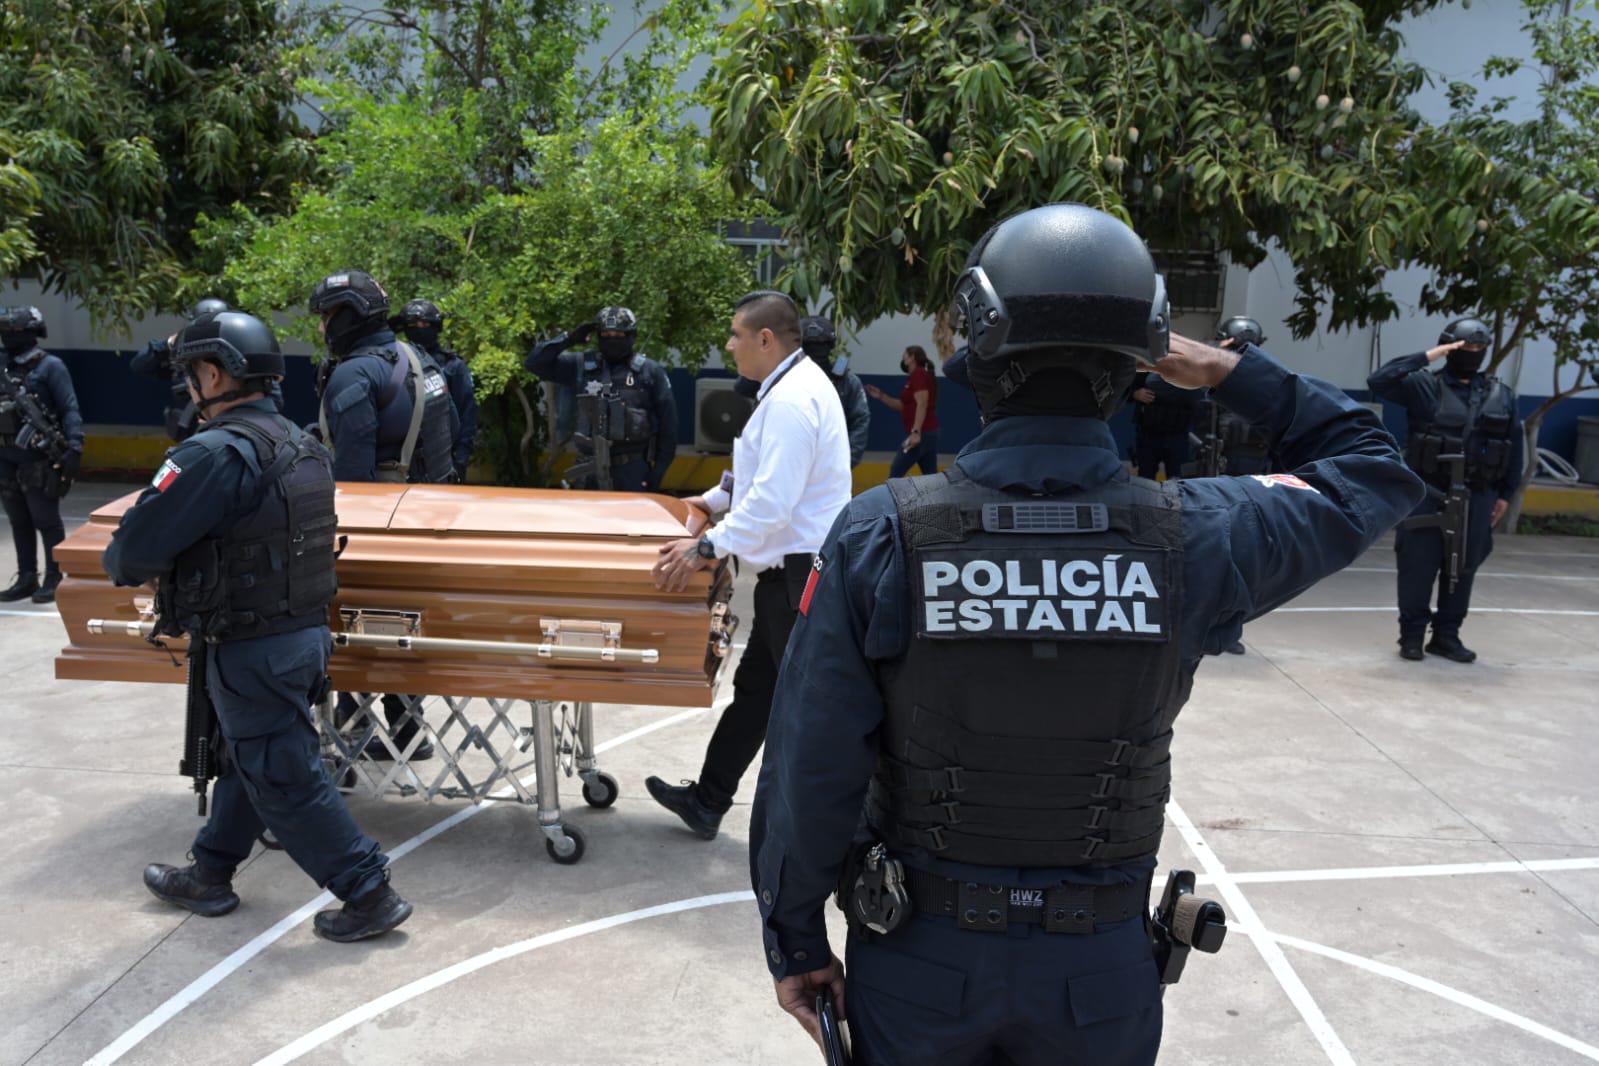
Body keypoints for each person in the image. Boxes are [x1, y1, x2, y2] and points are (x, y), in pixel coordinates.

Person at [749, 204, 1425, 1064]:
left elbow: (812, 756)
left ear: (980, 357)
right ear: (1138, 367)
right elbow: (1371, 466)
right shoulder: (1198, 534)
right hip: (1096, 975)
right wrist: (1224, 370)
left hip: (920, 959)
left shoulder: (881, 533)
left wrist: (797, 941)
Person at [106, 310, 412, 942]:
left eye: (192, 373)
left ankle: (368, 891)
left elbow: (130, 553)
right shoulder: (302, 444)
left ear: (213, 374)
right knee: (251, 759)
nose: (189, 386)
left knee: (282, 774)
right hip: (300, 637)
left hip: (252, 647)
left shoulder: (213, 453)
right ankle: (211, 872)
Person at [645, 291, 852, 840]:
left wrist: (704, 547)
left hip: (801, 576)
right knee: (757, 692)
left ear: (765, 339)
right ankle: (709, 800)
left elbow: (772, 503)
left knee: (811, 711)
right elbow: (752, 480)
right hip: (789, 576)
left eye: (736, 335)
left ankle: (836, 827)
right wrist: (710, 503)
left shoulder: (789, 399)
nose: (729, 345)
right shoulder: (786, 388)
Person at [310, 270, 458, 760]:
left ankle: (351, 734)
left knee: (358, 622)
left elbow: (351, 475)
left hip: (377, 522)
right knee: (407, 621)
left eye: (328, 316)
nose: (324, 327)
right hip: (429, 517)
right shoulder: (421, 360)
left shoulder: (355, 373)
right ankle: (410, 729)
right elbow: (451, 432)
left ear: (349, 316)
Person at [1367, 316, 1522, 663]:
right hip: (1429, 492)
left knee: (1463, 568)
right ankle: (1411, 636)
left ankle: (1446, 636)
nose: (1473, 352)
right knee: (1417, 565)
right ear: (1450, 347)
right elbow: (1379, 380)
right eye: (1465, 346)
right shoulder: (1425, 387)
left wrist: (1505, 494)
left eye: (1479, 347)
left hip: (1478, 494)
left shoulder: (1500, 395)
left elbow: (1514, 444)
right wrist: (1431, 355)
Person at [524, 306, 677, 491]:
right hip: (589, 469)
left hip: (631, 471)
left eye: (619, 335)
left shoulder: (650, 372)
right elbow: (534, 363)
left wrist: (657, 473)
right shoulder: (580, 365)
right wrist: (569, 339)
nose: (612, 339)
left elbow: (669, 427)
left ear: (631, 336)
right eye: (606, 334)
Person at [0, 306, 84, 604]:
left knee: (45, 519)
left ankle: (54, 576)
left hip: (38, 456)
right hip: (6, 455)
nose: (9, 336)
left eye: (15, 331)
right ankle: (26, 577)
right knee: (18, 520)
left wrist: (75, 446)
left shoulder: (50, 366)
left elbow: (68, 408)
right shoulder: (4, 365)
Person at [391, 298, 478, 481]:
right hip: (408, 462)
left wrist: (460, 461)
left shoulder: (453, 367)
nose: (418, 327)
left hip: (446, 460)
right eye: (412, 324)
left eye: (423, 323)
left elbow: (467, 418)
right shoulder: (398, 365)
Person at [130, 298, 231, 442]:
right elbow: (139, 365)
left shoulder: (233, 356)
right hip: (190, 435)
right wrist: (169, 344)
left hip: (224, 433)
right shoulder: (183, 355)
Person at [800, 315, 871, 468]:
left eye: (820, 344)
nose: (816, 350)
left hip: (831, 468)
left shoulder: (846, 381)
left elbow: (860, 421)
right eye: (810, 345)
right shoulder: (786, 378)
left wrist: (845, 463)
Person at [867, 345, 940, 477]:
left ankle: (891, 497)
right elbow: (902, 406)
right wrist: (881, 396)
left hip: (921, 435)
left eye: (905, 354)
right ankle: (938, 498)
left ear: (912, 358)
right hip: (927, 434)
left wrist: (916, 432)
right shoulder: (915, 377)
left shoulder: (919, 374)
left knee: (896, 471)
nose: (902, 357)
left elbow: (922, 403)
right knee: (931, 477)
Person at [1129, 369, 1201, 479]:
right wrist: (1135, 393)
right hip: (1149, 432)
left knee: (1178, 481)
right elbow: (1127, 386)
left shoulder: (1186, 364)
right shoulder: (1150, 361)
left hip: (1177, 433)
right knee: (1145, 478)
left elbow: (1196, 396)